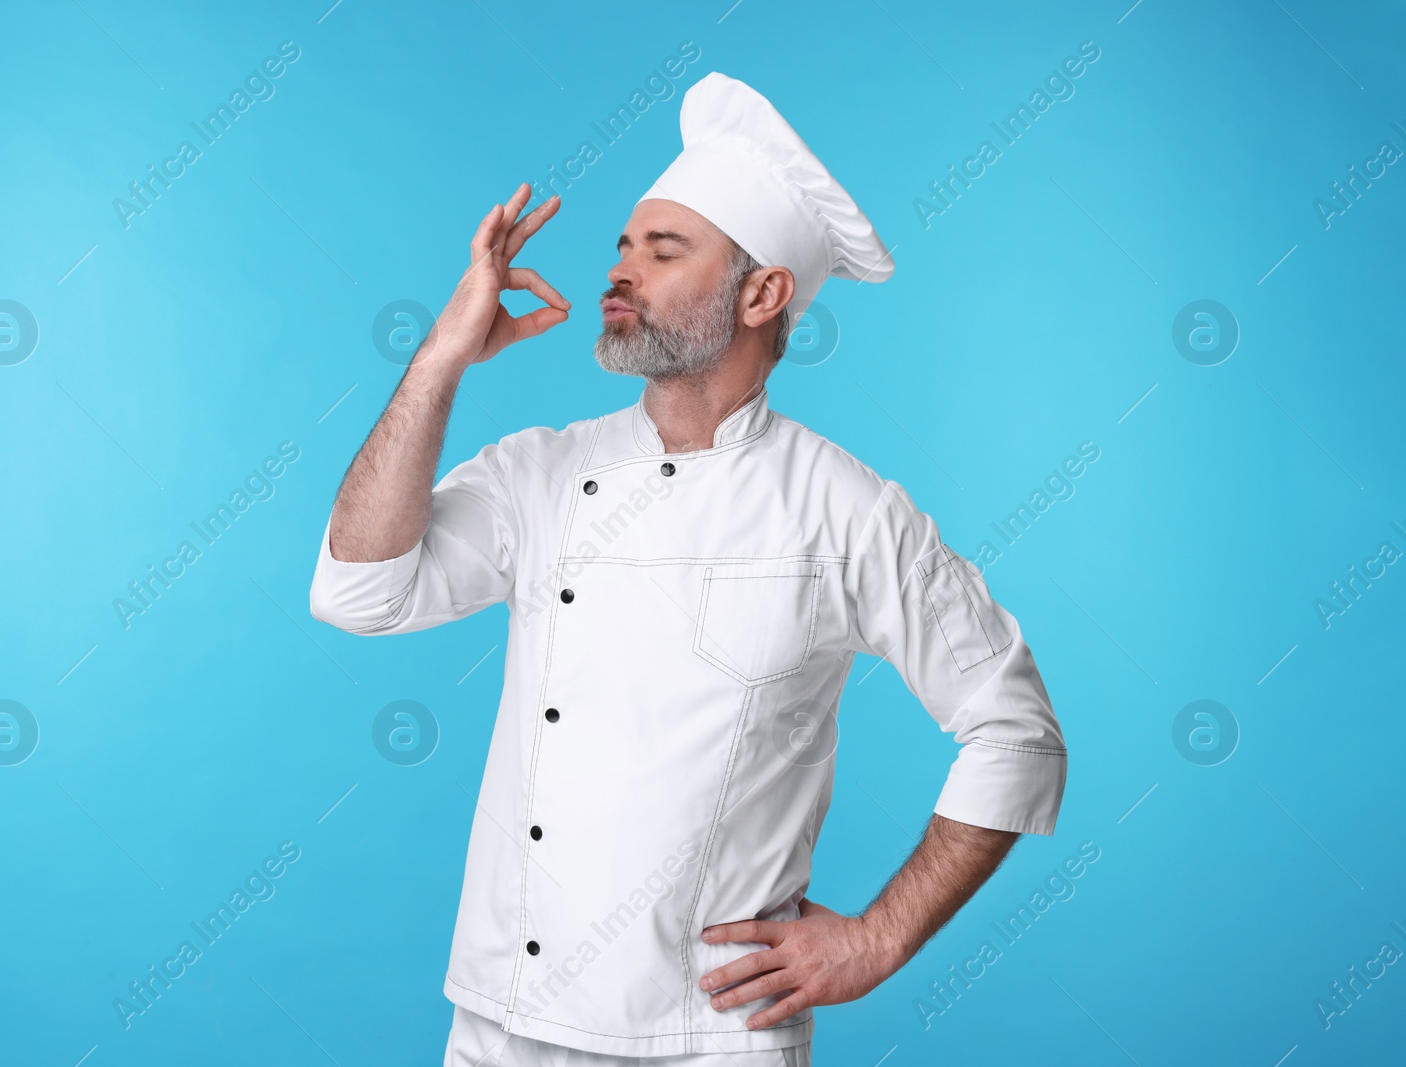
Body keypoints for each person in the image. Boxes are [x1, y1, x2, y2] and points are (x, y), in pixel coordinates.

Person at [310, 72, 1067, 1066]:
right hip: (498, 1021)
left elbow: (1015, 734)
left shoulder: (843, 508)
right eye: (622, 246)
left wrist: (877, 938)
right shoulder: (543, 470)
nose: (619, 272)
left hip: (707, 1038)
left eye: (664, 251)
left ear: (762, 292)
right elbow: (356, 591)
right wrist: (442, 357)